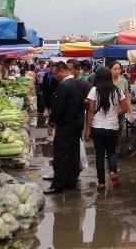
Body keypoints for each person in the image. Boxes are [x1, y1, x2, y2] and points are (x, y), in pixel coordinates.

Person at [84, 67, 127, 191]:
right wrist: (115, 114)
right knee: (111, 152)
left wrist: (87, 129)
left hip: (97, 127)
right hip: (112, 127)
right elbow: (124, 108)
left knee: (99, 155)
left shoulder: (94, 90)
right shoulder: (117, 90)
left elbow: (91, 111)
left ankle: (101, 183)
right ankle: (112, 171)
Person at [45, 62, 85, 194]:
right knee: (73, 153)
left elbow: (58, 108)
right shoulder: (78, 83)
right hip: (77, 123)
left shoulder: (63, 85)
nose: (54, 76)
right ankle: (70, 182)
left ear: (62, 71)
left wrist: (51, 124)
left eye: (55, 73)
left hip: (66, 125)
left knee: (61, 154)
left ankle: (57, 185)